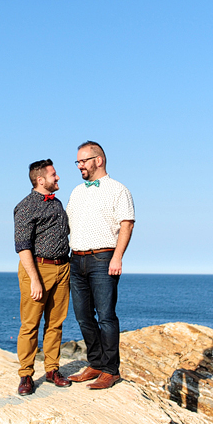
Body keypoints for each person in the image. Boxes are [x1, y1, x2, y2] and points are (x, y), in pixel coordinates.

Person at [65, 141, 134, 389]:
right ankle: (95, 363)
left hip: (103, 258)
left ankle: (110, 370)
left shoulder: (118, 190)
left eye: (83, 161)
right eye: (78, 162)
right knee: (83, 316)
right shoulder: (76, 192)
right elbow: (68, 225)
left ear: (99, 160)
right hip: (76, 258)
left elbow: (127, 224)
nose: (79, 166)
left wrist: (117, 257)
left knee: (106, 317)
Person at [13, 159, 73, 395]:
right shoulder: (26, 206)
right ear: (40, 180)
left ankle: (52, 370)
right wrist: (35, 279)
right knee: (30, 325)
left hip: (62, 268)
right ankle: (26, 375)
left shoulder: (57, 204)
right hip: (37, 269)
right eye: (54, 175)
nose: (57, 178)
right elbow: (22, 246)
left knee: (56, 323)